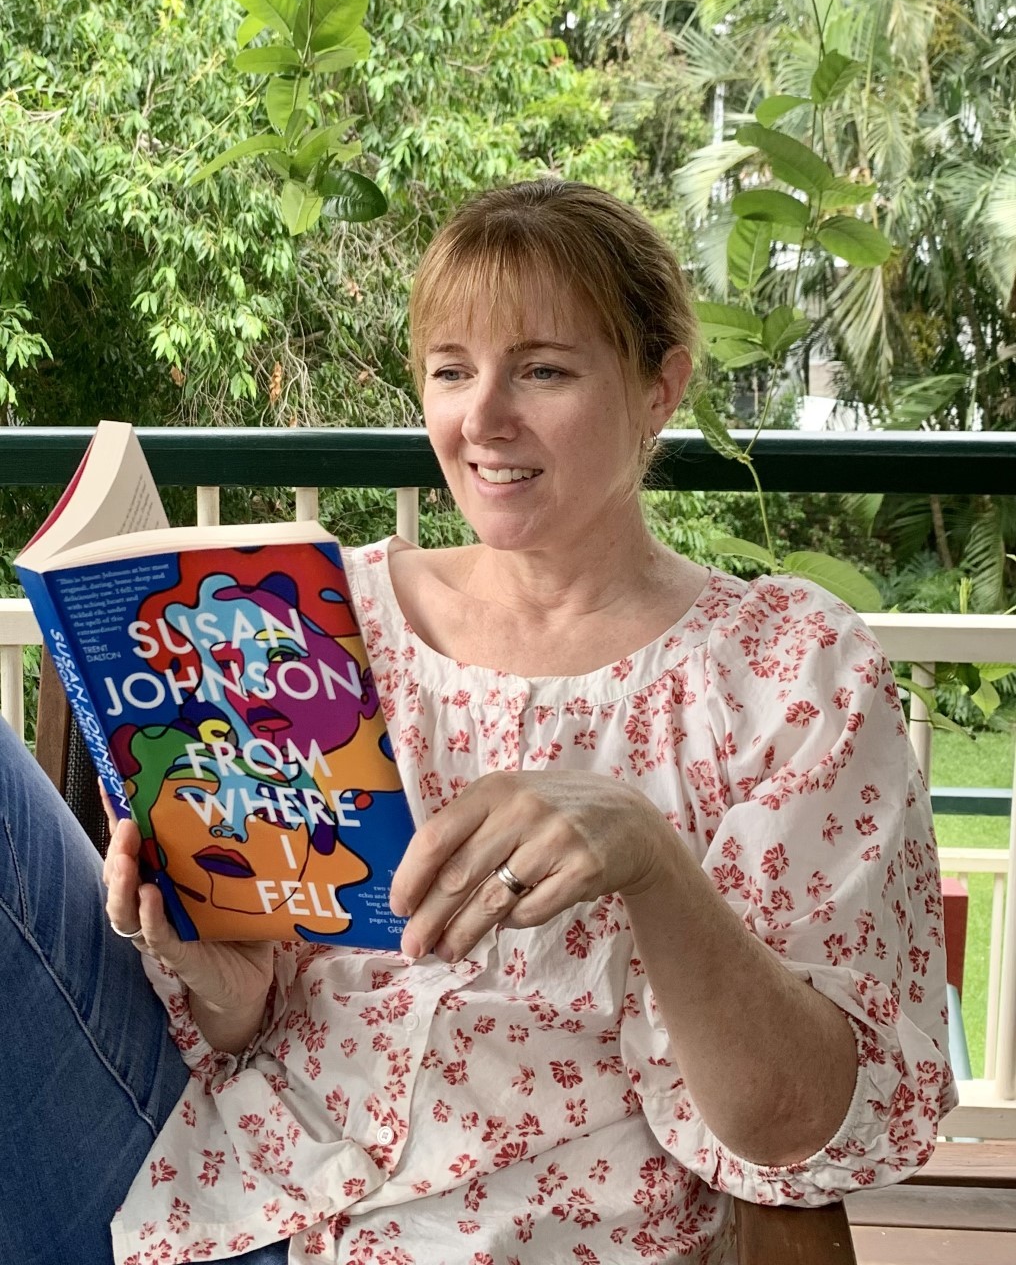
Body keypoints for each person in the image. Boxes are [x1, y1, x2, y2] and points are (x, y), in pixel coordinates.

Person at [0, 179, 956, 1265]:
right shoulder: (324, 616)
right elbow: (252, 1017)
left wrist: (646, 857)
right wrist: (218, 978)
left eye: (542, 368)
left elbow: (792, 1122)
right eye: (450, 371)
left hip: (528, 1232)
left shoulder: (784, 670)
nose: (481, 418)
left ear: (659, 386)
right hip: (221, 1201)